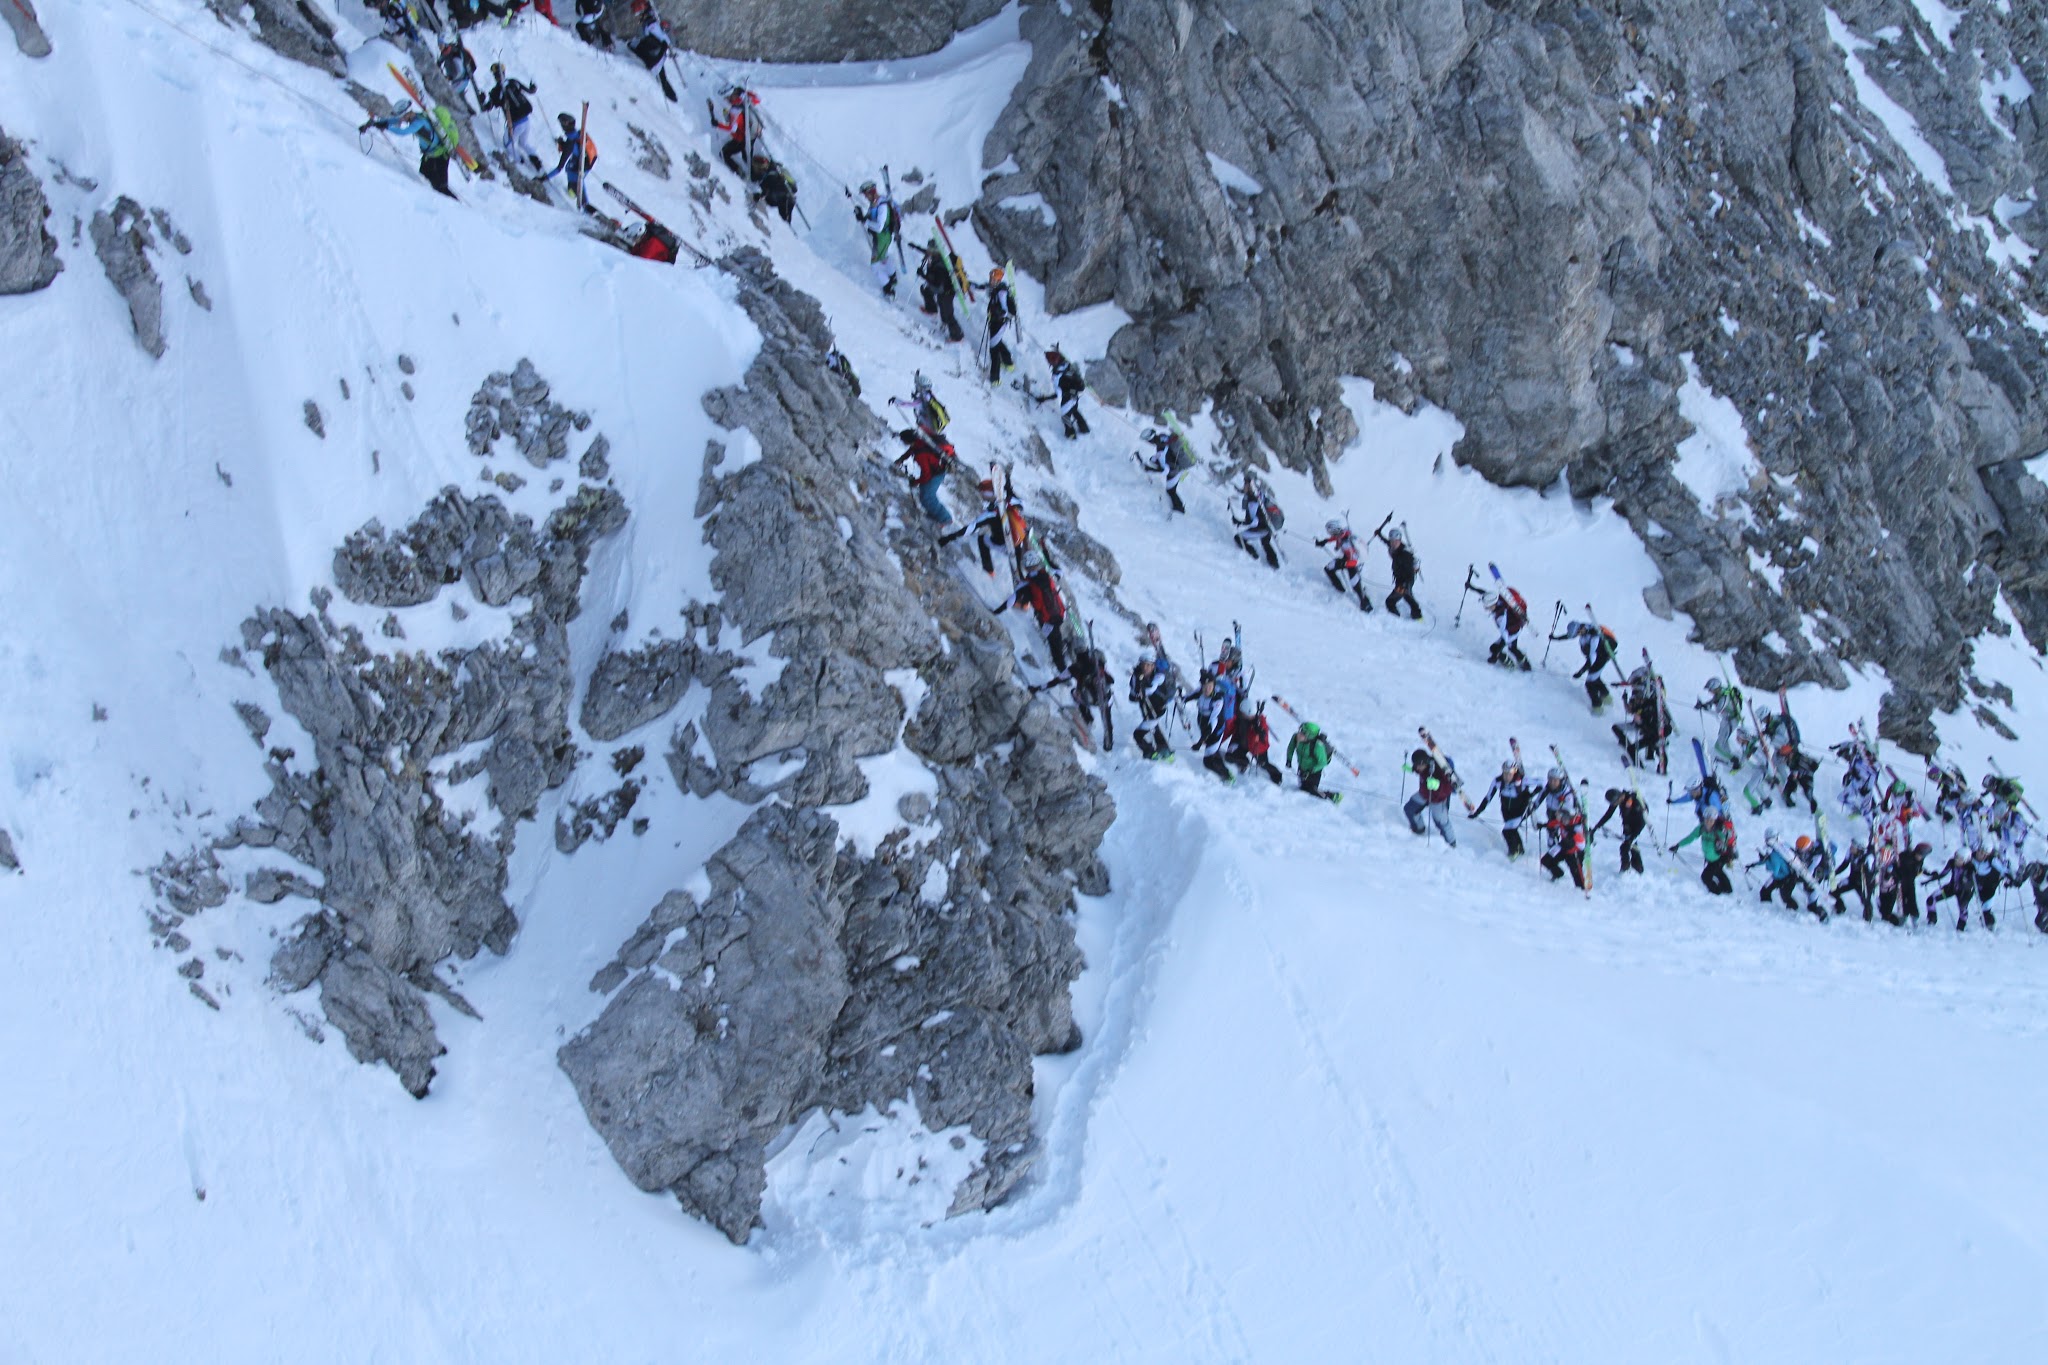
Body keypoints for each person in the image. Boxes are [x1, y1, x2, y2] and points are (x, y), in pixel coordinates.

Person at [992, 550, 1072, 675]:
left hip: (1046, 620)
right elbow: (1059, 572)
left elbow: (1011, 600)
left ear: (1025, 567)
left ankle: (1063, 671)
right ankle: (1062, 658)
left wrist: (996, 611)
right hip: (1060, 614)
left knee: (1054, 646)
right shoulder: (1048, 575)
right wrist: (1046, 554)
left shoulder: (1027, 584)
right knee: (1056, 639)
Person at [361, 101, 459, 199]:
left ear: (408, 113)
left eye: (402, 116)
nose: (401, 119)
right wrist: (376, 123)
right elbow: (393, 120)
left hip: (440, 156)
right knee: (424, 178)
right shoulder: (416, 117)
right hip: (429, 156)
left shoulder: (420, 122)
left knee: (441, 187)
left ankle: (457, 206)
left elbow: (403, 132)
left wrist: (386, 126)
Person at [1467, 759, 1538, 860]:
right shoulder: (1498, 781)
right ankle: (1520, 849)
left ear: (1514, 772)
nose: (1507, 776)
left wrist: (1532, 795)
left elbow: (1543, 783)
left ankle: (1513, 852)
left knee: (1507, 831)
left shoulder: (1523, 780)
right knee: (1512, 830)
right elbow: (1488, 798)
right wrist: (1477, 812)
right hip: (1506, 811)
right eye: (1505, 773)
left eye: (1509, 774)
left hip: (1520, 811)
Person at [480, 63, 541, 172]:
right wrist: (533, 87)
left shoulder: (496, 91)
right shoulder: (513, 82)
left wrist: (482, 99)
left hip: (515, 123)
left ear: (495, 76)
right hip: (526, 120)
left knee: (508, 143)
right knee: (523, 143)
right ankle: (537, 162)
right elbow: (531, 90)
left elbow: (487, 107)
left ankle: (520, 163)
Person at [938, 479, 1004, 575]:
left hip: (1003, 544)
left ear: (988, 493)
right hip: (1020, 538)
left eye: (982, 493)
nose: (981, 495)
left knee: (982, 539)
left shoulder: (990, 513)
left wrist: (948, 538)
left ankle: (989, 571)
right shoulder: (1009, 502)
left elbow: (971, 528)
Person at [1550, 619, 1618, 712]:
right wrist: (1556, 638)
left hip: (1600, 659)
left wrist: (1581, 672)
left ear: (1580, 629)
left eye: (1577, 633)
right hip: (1597, 658)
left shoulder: (1594, 637)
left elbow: (1592, 658)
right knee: (1595, 678)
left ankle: (1597, 708)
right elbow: (1569, 636)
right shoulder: (1583, 630)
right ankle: (1607, 699)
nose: (1577, 635)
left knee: (1590, 683)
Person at [1538, 769, 1589, 892]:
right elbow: (1554, 823)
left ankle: (1582, 890)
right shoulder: (1561, 820)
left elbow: (1581, 842)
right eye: (1561, 816)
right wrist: (1543, 825)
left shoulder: (1576, 824)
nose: (1562, 819)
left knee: (1576, 874)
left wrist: (1571, 840)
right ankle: (1558, 874)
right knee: (1545, 861)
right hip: (1563, 847)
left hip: (1574, 851)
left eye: (1564, 817)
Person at [908, 238, 965, 342]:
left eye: (930, 249)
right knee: (926, 290)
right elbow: (925, 252)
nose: (928, 250)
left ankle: (957, 336)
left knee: (948, 314)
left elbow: (937, 284)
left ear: (936, 250)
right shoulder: (936, 257)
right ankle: (931, 309)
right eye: (928, 248)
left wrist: (923, 275)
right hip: (942, 289)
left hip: (947, 291)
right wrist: (914, 246)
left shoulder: (940, 264)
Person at [891, 428, 953, 525]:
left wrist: (915, 482)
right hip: (936, 471)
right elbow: (911, 451)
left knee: (928, 497)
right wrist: (901, 459)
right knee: (925, 495)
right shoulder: (919, 443)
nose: (902, 442)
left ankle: (946, 519)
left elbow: (926, 475)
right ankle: (934, 514)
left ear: (908, 441)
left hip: (936, 474)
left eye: (903, 440)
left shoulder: (920, 454)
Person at [1186, 669, 1238, 782]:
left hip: (1215, 733)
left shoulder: (1218, 700)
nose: (1207, 689)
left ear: (1214, 685)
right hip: (1205, 730)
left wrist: (1200, 742)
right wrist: (1181, 698)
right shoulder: (1201, 692)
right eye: (1204, 686)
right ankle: (1225, 771)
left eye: (1210, 686)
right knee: (1213, 755)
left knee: (1208, 762)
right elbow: (1188, 697)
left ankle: (1227, 776)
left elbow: (1213, 723)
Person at [1671, 811, 1737, 895]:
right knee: (1718, 872)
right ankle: (1727, 888)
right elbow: (1691, 837)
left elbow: (1730, 840)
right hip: (1711, 858)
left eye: (1711, 820)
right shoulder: (1701, 828)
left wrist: (1730, 856)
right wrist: (1678, 845)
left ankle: (1717, 892)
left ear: (1715, 820)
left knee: (1706, 877)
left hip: (1720, 858)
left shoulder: (1720, 830)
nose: (1708, 822)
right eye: (1707, 819)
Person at [1403, 744, 1459, 844]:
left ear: (1424, 762)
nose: (1417, 768)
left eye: (1418, 766)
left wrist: (1437, 785)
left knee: (1441, 822)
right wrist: (1411, 769)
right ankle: (1419, 828)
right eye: (1415, 766)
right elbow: (1420, 771)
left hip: (1438, 799)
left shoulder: (1439, 768)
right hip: (1424, 794)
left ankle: (1451, 843)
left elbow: (1448, 787)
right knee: (1409, 809)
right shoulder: (1421, 767)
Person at [545, 111, 600, 210]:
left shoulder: (571, 143)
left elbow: (559, 168)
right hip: (587, 162)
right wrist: (563, 144)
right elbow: (576, 148)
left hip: (580, 166)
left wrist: (544, 178)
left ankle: (585, 207)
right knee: (575, 186)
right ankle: (585, 204)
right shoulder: (579, 134)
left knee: (575, 187)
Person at [855, 181, 901, 298]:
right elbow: (870, 217)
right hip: (882, 238)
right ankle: (893, 277)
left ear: (871, 192)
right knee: (884, 257)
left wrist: (864, 221)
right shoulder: (875, 203)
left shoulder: (882, 205)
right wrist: (861, 216)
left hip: (882, 238)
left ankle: (888, 289)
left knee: (875, 266)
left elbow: (879, 226)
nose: (865, 197)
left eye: (866, 194)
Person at [1128, 649, 1176, 761]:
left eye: (1148, 665)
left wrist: (1140, 689)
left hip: (1157, 711)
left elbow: (1150, 689)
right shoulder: (1137, 676)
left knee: (1138, 734)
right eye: (1144, 665)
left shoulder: (1159, 676)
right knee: (1154, 729)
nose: (1146, 668)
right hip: (1148, 710)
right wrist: (1137, 690)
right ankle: (1166, 752)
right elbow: (1132, 695)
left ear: (1153, 666)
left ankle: (1151, 753)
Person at [1590, 786, 1648, 874]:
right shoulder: (1619, 800)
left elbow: (1642, 821)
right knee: (1631, 847)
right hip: (1627, 825)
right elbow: (1608, 815)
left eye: (1614, 803)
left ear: (1619, 797)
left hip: (1637, 825)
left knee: (1625, 847)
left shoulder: (1633, 801)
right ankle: (1637, 869)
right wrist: (1596, 828)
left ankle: (1627, 870)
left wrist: (1633, 836)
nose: (1614, 805)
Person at [1137, 425, 1194, 514]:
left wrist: (1150, 469)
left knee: (1171, 490)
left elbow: (1165, 470)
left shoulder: (1161, 450)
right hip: (1175, 464)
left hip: (1175, 470)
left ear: (1150, 440)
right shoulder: (1162, 436)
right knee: (1153, 461)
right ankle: (1179, 509)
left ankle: (1180, 510)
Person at [1316, 520, 1371, 612]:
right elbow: (1336, 538)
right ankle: (1339, 589)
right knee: (1328, 569)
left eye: (1331, 532)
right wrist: (1325, 541)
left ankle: (1366, 604)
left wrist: (1344, 564)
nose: (1330, 534)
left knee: (1355, 585)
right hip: (1345, 560)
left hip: (1352, 564)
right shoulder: (1343, 533)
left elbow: (1354, 560)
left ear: (1335, 530)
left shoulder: (1346, 544)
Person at [1697, 677, 1750, 770]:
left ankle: (1734, 760)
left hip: (1731, 721)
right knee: (1721, 742)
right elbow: (1713, 701)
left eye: (1710, 689)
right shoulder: (1720, 693)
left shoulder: (1724, 697)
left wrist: (1704, 707)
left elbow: (1718, 711)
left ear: (1715, 688)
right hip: (1726, 720)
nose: (1709, 691)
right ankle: (1730, 757)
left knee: (1720, 745)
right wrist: (1704, 705)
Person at [1228, 700, 1285, 786]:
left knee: (1263, 764)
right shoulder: (1240, 718)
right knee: (1231, 756)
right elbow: (1231, 729)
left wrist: (1259, 730)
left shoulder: (1260, 721)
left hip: (1257, 747)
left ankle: (1277, 775)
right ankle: (1244, 764)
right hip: (1244, 743)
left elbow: (1263, 736)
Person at [1232, 473, 1282, 570]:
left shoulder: (1253, 500)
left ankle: (1254, 556)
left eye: (1246, 484)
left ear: (1251, 486)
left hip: (1262, 528)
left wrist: (1239, 522)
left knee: (1238, 538)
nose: (1244, 486)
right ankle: (1275, 564)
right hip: (1267, 526)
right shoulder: (1259, 496)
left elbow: (1253, 521)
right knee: (1265, 543)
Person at [1285, 722, 1341, 802]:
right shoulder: (1296, 737)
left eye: (1303, 733)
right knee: (1303, 788)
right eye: (1300, 731)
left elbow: (1323, 762)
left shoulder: (1317, 746)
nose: (1299, 734)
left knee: (1312, 790)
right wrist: (1289, 759)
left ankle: (1332, 796)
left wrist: (1311, 771)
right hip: (1302, 767)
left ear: (1309, 736)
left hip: (1314, 772)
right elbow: (1290, 748)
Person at [712, 87, 759, 179]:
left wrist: (718, 124)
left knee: (724, 154)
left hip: (742, 139)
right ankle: (755, 175)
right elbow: (758, 99)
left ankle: (743, 174)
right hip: (750, 136)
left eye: (729, 96)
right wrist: (746, 93)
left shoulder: (735, 110)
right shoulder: (745, 101)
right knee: (746, 158)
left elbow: (732, 128)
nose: (726, 98)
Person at [1045, 348, 1089, 438]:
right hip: (1073, 394)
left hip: (1068, 395)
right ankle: (1084, 428)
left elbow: (1058, 392)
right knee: (1074, 410)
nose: (1049, 363)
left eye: (1050, 362)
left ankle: (1071, 434)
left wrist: (1045, 398)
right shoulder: (1066, 365)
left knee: (1065, 416)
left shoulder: (1060, 374)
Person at [1380, 526, 1422, 620]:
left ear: (1399, 540)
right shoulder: (1394, 547)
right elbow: (1387, 542)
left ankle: (1395, 620)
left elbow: (1410, 571)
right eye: (1392, 541)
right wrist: (1379, 535)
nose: (1393, 543)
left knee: (1390, 602)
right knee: (1407, 596)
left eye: (1396, 541)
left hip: (1405, 581)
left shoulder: (1405, 554)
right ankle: (1417, 616)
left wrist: (1404, 585)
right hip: (1399, 579)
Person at [984, 266, 1017, 384]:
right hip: (995, 322)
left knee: (994, 350)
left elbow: (1008, 312)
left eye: (993, 279)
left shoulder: (1002, 293)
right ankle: (1008, 363)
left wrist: (997, 312)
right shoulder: (996, 289)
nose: (990, 281)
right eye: (990, 278)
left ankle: (995, 379)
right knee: (997, 343)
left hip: (999, 323)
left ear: (998, 280)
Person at [1486, 588, 1531, 670]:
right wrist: (1473, 588)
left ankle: (1510, 664)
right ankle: (1526, 664)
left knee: (1494, 648)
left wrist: (1495, 656)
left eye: (1488, 607)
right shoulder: (1500, 601)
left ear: (1493, 604)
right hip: (1515, 627)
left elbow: (1505, 636)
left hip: (1511, 632)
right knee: (1513, 648)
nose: (1487, 609)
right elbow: (1486, 594)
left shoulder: (1501, 615)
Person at [437, 39, 479, 110]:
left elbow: (459, 71)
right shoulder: (445, 53)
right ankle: (470, 113)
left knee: (450, 94)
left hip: (462, 80)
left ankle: (468, 113)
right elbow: (439, 61)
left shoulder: (455, 53)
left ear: (445, 44)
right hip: (456, 81)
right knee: (461, 99)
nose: (439, 47)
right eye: (439, 46)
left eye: (441, 45)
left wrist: (450, 77)